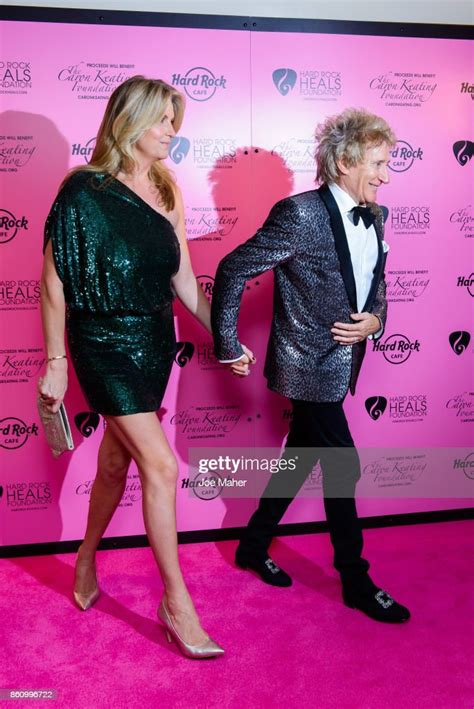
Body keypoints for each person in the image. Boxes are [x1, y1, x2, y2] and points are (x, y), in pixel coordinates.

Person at [38, 76, 247, 658]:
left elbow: (182, 278)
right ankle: (176, 603)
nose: (172, 133)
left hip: (154, 340)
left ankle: (83, 558)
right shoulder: (82, 190)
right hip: (102, 341)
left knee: (112, 462)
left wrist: (222, 336)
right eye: (163, 121)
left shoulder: (167, 186)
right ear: (129, 122)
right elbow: (53, 283)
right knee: (160, 464)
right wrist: (56, 361)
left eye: (175, 122)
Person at [211, 108, 410, 623]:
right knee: (343, 464)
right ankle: (356, 580)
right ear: (343, 161)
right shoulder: (299, 214)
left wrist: (375, 323)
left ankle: (253, 545)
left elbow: (375, 286)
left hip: (345, 361)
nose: (386, 175)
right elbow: (233, 268)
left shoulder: (377, 214)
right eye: (378, 164)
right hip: (308, 365)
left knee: (300, 458)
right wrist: (228, 343)